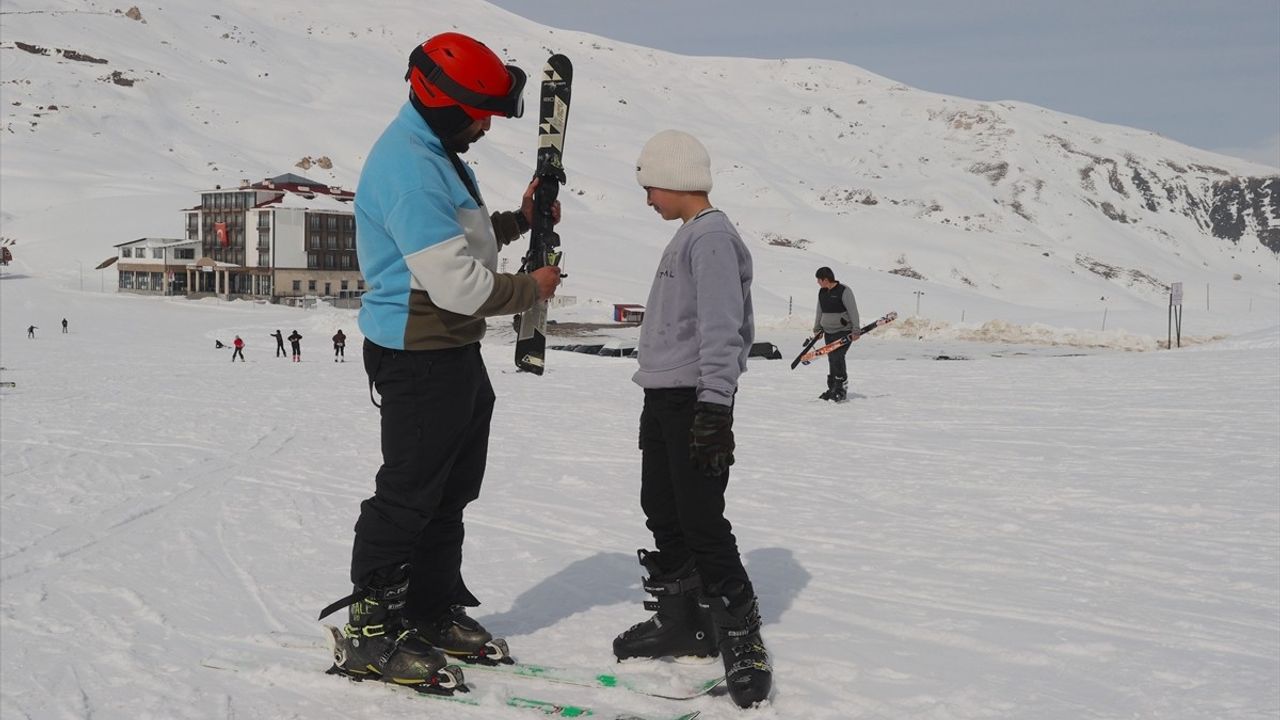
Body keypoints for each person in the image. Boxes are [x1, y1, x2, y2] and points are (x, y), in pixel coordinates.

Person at [317, 31, 562, 690]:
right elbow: (455, 283)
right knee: (408, 492)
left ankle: (426, 608)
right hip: (418, 352)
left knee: (449, 490)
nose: (485, 124)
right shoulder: (407, 165)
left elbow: (458, 241)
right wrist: (528, 290)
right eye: (479, 112)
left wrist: (518, 220)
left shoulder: (436, 151)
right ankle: (371, 628)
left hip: (452, 350)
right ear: (446, 103)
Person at [613, 129, 771, 709]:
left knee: (702, 518)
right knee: (662, 506)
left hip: (694, 401)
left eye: (650, 186)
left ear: (676, 181)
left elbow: (723, 329)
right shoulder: (687, 235)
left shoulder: (710, 239)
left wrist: (713, 406)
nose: (647, 198)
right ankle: (685, 622)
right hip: (664, 397)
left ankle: (741, 635)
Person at [811, 266, 860, 402]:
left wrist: (856, 329)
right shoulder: (822, 292)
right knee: (832, 358)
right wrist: (817, 329)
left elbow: (853, 311)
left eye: (819, 280)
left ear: (826, 279)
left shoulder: (844, 291)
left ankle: (840, 389)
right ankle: (832, 388)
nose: (818, 282)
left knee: (838, 357)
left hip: (843, 331)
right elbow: (819, 311)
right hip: (828, 332)